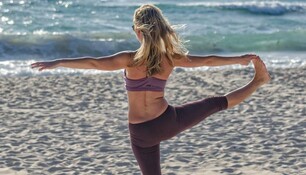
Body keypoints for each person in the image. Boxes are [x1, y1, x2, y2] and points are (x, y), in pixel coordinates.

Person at [31, 4, 270, 175]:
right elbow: (207, 60)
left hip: (140, 134)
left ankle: (258, 80)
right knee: (216, 103)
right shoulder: (171, 59)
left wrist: (58, 62)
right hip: (167, 122)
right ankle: (258, 81)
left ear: (137, 32)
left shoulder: (127, 59)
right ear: (162, 30)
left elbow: (93, 63)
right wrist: (238, 59)